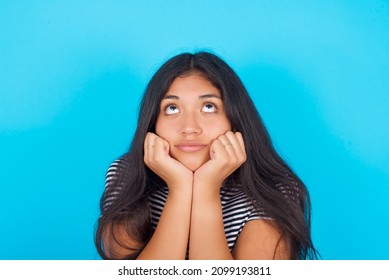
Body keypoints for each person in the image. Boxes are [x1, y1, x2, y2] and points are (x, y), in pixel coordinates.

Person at [95, 51, 318, 260]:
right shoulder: (127, 173)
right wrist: (180, 189)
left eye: (209, 107)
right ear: (153, 123)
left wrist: (206, 190)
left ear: (234, 119)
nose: (190, 128)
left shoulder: (273, 189)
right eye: (172, 108)